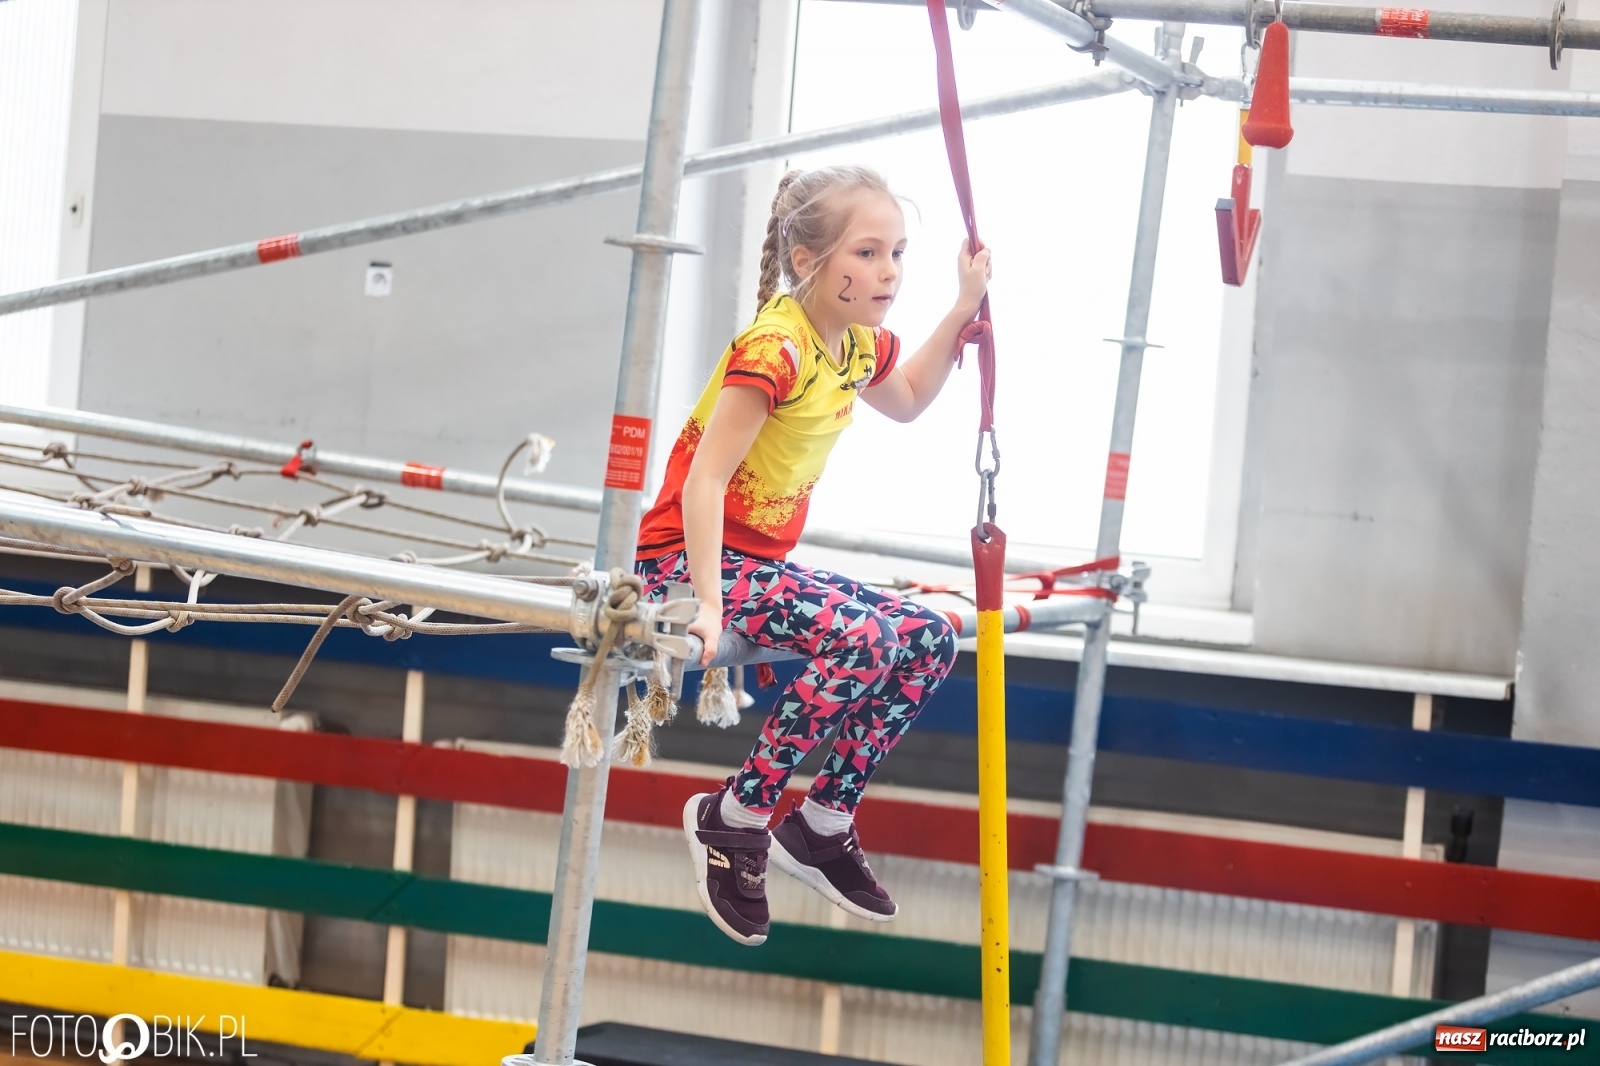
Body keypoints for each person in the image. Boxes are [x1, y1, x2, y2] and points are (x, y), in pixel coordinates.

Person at [635, 165, 991, 946]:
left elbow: (907, 400)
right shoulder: (776, 350)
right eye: (867, 253)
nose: (889, 271)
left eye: (896, 252)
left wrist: (961, 308)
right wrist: (705, 605)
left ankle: (822, 823)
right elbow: (704, 483)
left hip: (757, 566)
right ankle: (738, 815)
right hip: (686, 559)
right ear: (808, 262)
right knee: (864, 639)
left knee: (929, 635)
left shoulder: (854, 345)